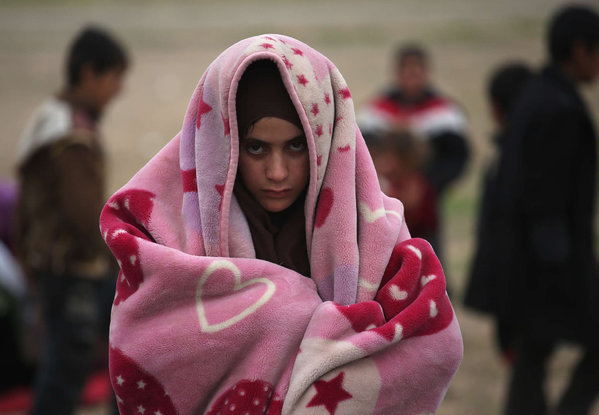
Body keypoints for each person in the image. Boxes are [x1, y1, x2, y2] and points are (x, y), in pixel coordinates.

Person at [100, 34, 463, 414]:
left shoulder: (372, 232)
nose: (277, 173)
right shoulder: (166, 238)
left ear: (324, 142)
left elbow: (432, 349)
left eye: (296, 146)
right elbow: (143, 353)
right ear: (224, 144)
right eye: (256, 148)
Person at [468, 6, 599, 415]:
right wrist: (562, 271)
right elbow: (544, 200)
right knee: (534, 358)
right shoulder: (557, 108)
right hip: (547, 264)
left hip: (529, 262)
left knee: (531, 360)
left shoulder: (538, 98)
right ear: (579, 50)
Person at [15, 25, 128, 414]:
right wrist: (120, 258)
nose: (119, 89)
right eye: (115, 77)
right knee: (71, 365)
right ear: (90, 73)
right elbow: (84, 215)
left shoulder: (50, 117)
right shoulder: (73, 136)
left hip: (50, 263)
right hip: (73, 269)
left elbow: (24, 202)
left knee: (112, 350)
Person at [358, 43, 470, 260]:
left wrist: (429, 185)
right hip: (385, 200)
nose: (411, 78)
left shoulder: (444, 113)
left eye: (416, 72)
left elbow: (458, 158)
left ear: (426, 73)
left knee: (429, 257)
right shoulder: (375, 113)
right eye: (406, 72)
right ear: (396, 73)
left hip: (426, 201)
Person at [464, 62, 534, 363]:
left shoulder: (509, 160)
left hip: (513, 278)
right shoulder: (510, 157)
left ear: (495, 108)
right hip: (517, 279)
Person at [366, 129, 437, 242]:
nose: (385, 162)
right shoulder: (382, 179)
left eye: (391, 157)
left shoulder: (414, 184)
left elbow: (410, 212)